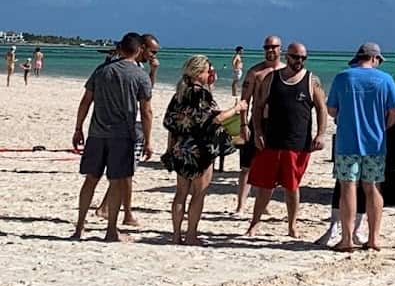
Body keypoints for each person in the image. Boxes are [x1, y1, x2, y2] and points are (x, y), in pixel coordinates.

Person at [70, 32, 153, 242]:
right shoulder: (139, 75)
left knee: (90, 180)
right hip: (122, 136)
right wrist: (149, 140)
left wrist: (78, 128)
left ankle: (80, 227)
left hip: (97, 133)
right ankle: (111, 231)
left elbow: (85, 101)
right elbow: (146, 111)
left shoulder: (102, 70)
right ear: (140, 49)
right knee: (116, 182)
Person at [247, 41, 327, 238]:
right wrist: (257, 131)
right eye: (295, 57)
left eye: (302, 58)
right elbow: (257, 106)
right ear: (287, 56)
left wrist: (321, 134)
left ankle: (292, 226)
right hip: (271, 140)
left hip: (297, 143)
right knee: (265, 186)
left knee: (292, 186)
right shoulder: (271, 79)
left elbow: (321, 109)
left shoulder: (311, 80)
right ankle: (254, 224)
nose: (299, 61)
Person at [326, 42, 395, 252]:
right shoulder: (385, 79)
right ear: (375, 59)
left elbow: (331, 109)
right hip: (375, 142)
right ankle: (373, 238)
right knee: (373, 187)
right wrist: (383, 126)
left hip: (347, 141)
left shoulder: (344, 77)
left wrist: (345, 114)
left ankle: (347, 238)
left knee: (348, 187)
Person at [162, 55, 244, 245]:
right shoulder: (202, 94)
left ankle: (176, 235)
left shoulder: (180, 94)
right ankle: (191, 235)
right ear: (199, 73)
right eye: (208, 71)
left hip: (181, 147)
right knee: (198, 194)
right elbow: (214, 119)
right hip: (200, 149)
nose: (211, 74)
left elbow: (171, 123)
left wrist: (169, 148)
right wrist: (237, 108)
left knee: (180, 193)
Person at [96, 32, 161, 227]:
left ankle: (106, 206)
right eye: (152, 51)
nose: (154, 55)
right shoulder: (125, 66)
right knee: (126, 171)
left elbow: (147, 90)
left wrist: (153, 71)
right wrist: (149, 139)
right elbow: (145, 106)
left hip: (130, 124)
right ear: (142, 48)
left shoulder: (139, 67)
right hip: (127, 125)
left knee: (123, 171)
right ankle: (127, 213)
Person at [235, 35, 285, 215]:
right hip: (257, 121)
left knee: (271, 168)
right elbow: (244, 101)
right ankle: (241, 205)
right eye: (267, 47)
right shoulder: (255, 72)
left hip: (277, 125)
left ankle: (263, 205)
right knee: (246, 166)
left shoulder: (286, 72)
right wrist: (243, 125)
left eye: (274, 47)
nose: (270, 50)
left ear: (281, 49)